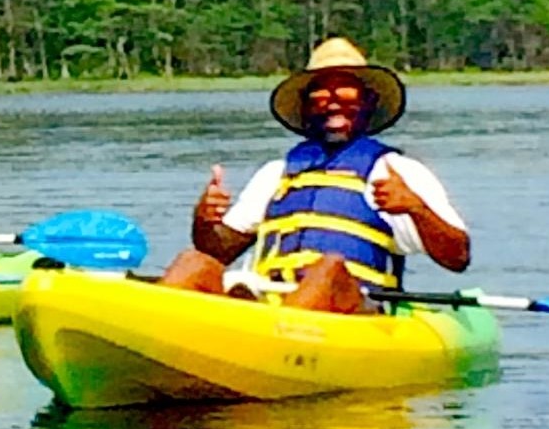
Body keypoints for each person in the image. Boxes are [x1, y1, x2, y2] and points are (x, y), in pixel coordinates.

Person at [158, 37, 470, 313]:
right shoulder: (276, 174)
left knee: (329, 268)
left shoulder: (395, 171)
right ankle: (155, 338)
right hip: (270, 302)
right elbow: (217, 252)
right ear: (307, 109)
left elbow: (457, 258)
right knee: (193, 262)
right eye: (321, 93)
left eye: (345, 92)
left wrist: (416, 208)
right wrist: (204, 220)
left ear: (368, 103)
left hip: (353, 309)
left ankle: (275, 337)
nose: (333, 101)